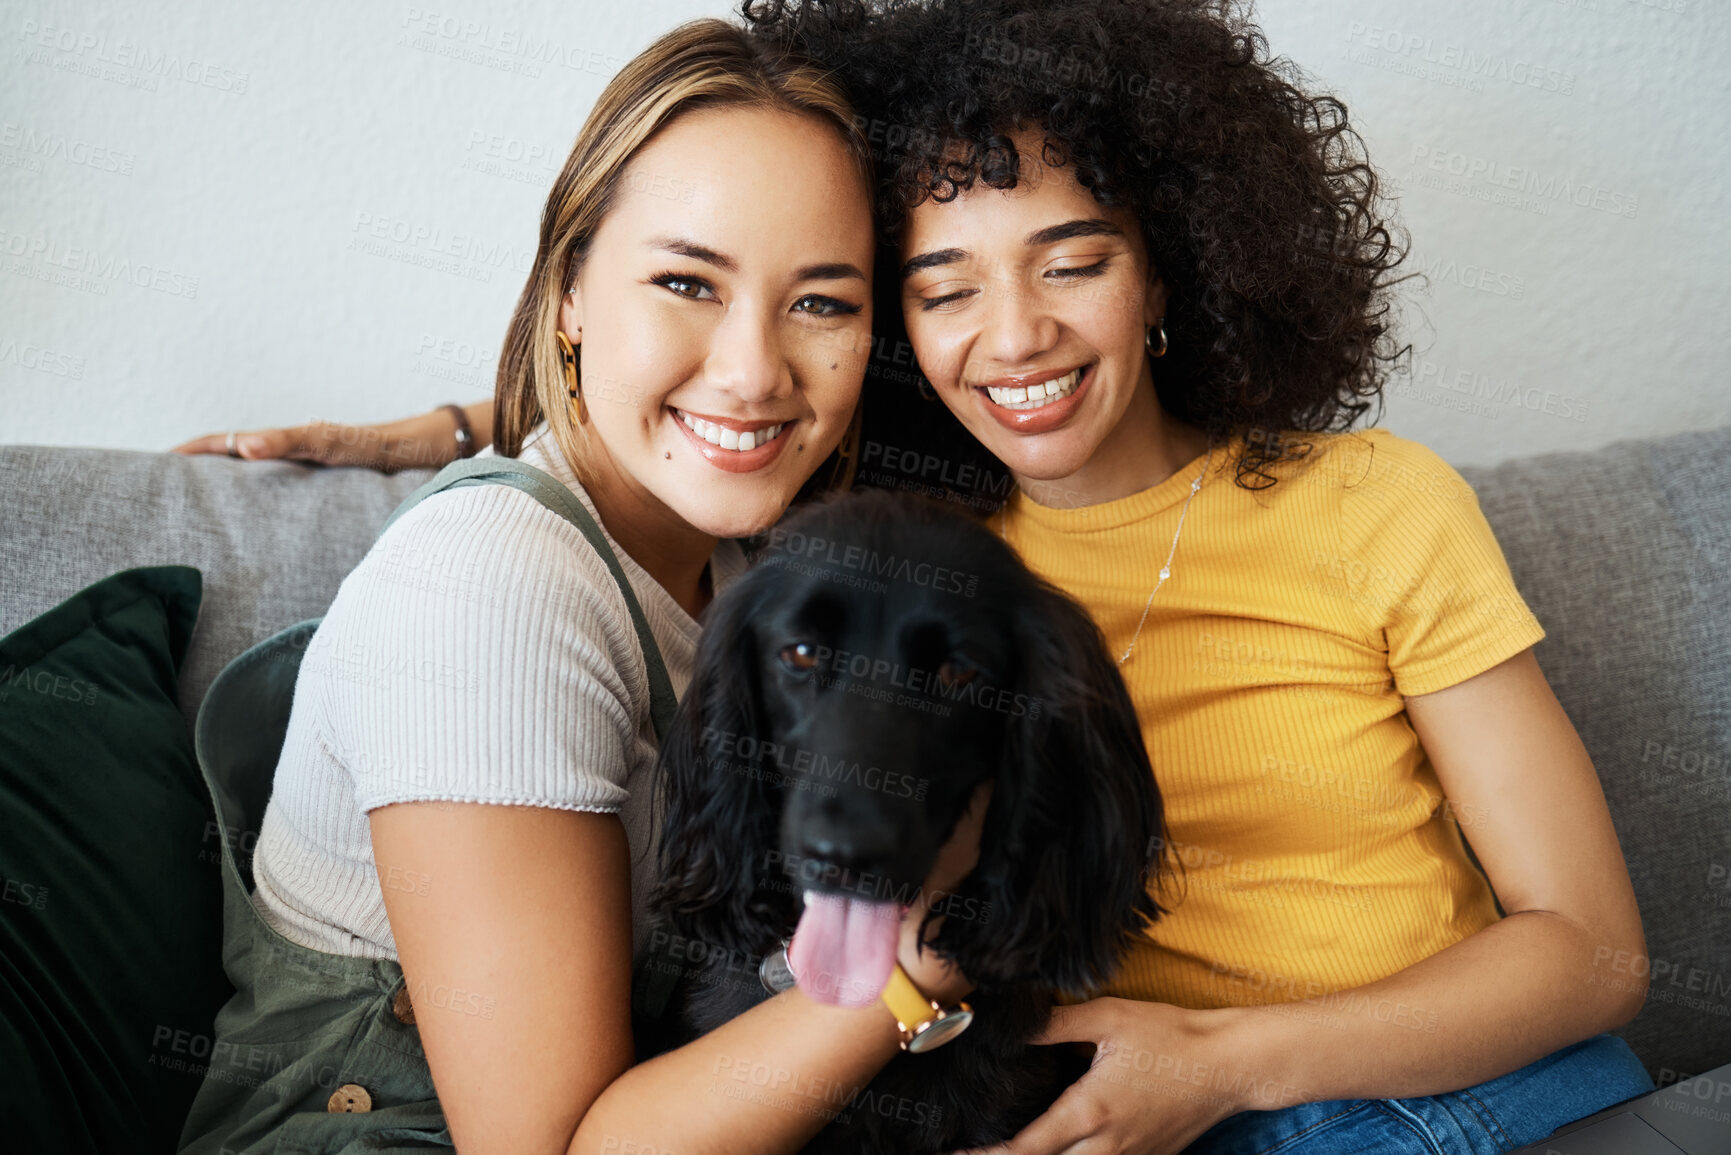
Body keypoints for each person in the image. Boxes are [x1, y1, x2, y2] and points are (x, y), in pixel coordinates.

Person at [183, 2, 1654, 1152]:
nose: (1008, 335)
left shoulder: (1363, 503)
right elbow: (683, 413)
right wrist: (467, 442)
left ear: (1175, 269)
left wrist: (1211, 1065)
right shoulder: (880, 546)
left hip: (1419, 1097)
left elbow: (1588, 948)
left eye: (1070, 261)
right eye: (942, 286)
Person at [176, 17, 985, 1155]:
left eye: (822, 302)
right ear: (570, 291)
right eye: (684, 281)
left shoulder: (767, 548)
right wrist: (936, 949)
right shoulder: (490, 585)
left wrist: (462, 420)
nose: (755, 371)